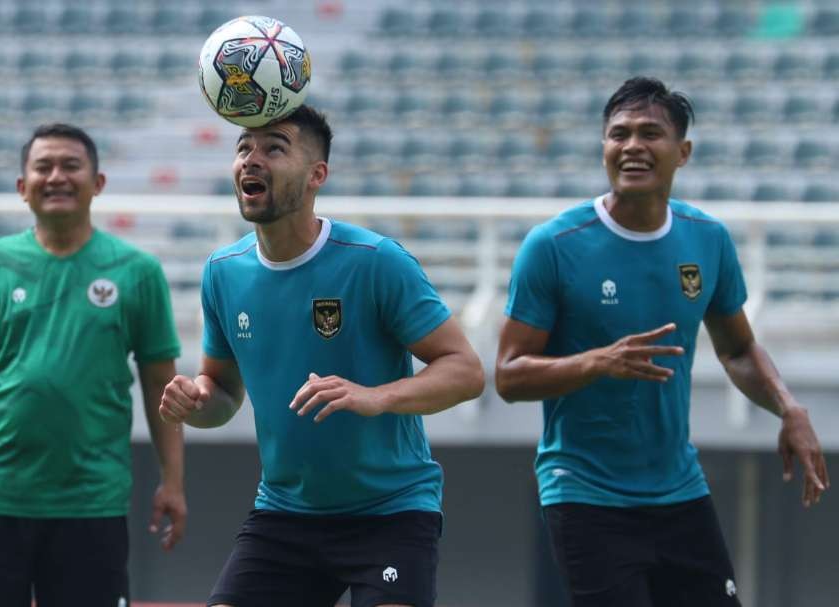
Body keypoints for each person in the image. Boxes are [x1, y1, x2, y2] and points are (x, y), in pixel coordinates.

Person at [496, 77, 829, 607]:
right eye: (618, 134)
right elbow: (509, 376)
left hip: (679, 490)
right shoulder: (554, 246)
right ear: (603, 148)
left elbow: (738, 349)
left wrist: (788, 407)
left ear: (683, 153)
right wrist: (597, 362)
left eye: (650, 133)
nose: (631, 146)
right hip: (584, 491)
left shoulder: (707, 239)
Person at [159, 105, 486, 607]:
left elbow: (465, 372)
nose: (251, 159)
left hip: (391, 512)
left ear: (317, 175)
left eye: (274, 147)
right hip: (286, 513)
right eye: (244, 147)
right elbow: (222, 393)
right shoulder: (222, 272)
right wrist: (196, 401)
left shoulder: (377, 262)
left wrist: (375, 397)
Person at [0, 123, 187, 607]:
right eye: (43, 167)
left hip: (91, 504)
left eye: (70, 165)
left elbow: (160, 383)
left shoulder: (138, 272)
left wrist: (173, 480)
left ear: (97, 183)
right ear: (23, 187)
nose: (56, 176)